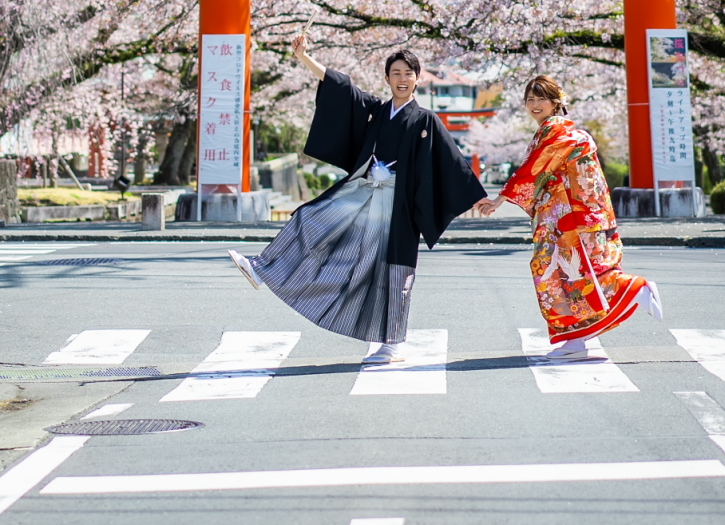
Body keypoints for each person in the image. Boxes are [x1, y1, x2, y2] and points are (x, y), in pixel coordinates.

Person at [229, 36, 486, 362]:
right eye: (395, 72)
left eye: (408, 73)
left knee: (392, 271)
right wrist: (305, 58)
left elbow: (450, 164)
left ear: (418, 78)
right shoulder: (378, 112)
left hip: (398, 207)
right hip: (362, 192)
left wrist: (476, 198)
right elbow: (342, 89)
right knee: (309, 218)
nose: (402, 78)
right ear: (387, 78)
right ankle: (263, 267)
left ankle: (391, 343)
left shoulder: (426, 121)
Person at [477, 74, 662, 359]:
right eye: (530, 99)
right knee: (570, 274)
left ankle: (635, 289)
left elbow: (533, 169)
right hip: (574, 214)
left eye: (541, 99)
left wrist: (500, 199)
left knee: (568, 271)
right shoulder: (561, 131)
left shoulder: (556, 131)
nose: (535, 105)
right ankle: (577, 339)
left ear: (555, 103)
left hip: (571, 218)